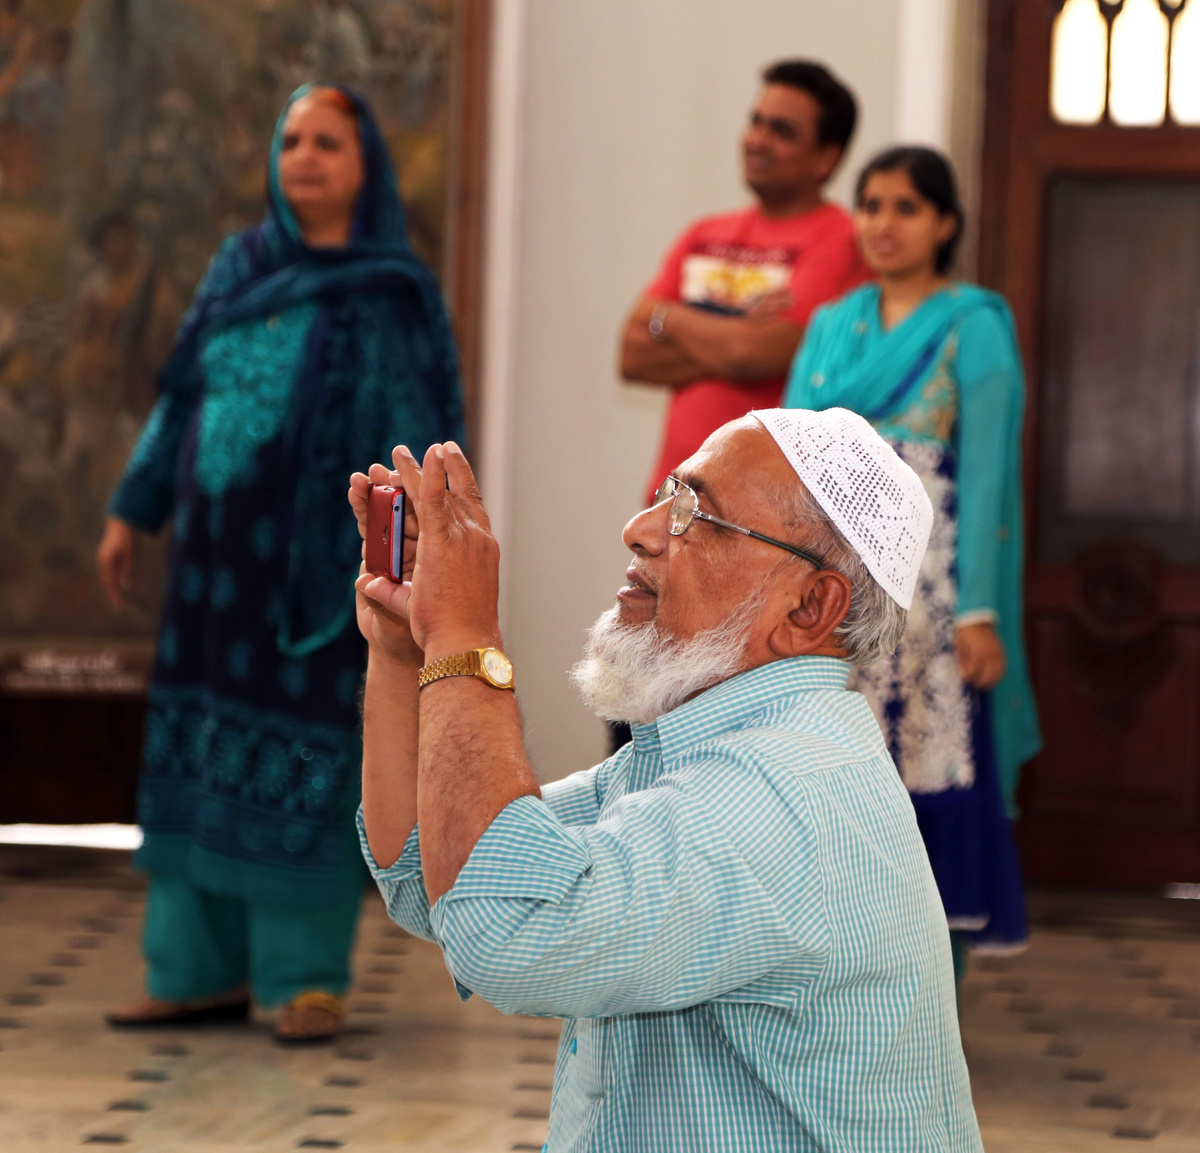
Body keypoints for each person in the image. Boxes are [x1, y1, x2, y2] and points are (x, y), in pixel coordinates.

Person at [348, 408, 985, 1151]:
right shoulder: (719, 752)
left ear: (810, 605)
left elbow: (511, 931)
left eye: (696, 514)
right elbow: (433, 874)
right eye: (666, 493)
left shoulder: (782, 791)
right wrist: (405, 647)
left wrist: (465, 635)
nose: (642, 527)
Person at [96, 83, 463, 1042]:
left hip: (312, 576)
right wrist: (132, 510)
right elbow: (182, 398)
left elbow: (422, 434)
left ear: (365, 164)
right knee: (197, 749)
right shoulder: (240, 264)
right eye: (292, 140)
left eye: (328, 144)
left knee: (304, 761)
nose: (304, 158)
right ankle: (190, 973)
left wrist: (416, 548)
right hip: (213, 578)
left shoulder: (391, 288)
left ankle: (303, 978)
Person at [783, 147, 1041, 974]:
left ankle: (931, 999)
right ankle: (831, 981)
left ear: (945, 223)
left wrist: (980, 612)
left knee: (932, 778)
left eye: (904, 207)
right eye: (870, 205)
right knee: (831, 779)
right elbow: (789, 453)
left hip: (932, 603)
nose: (883, 224)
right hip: (836, 593)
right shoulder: (834, 323)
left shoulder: (974, 325)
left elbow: (993, 472)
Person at [619, 59, 869, 509]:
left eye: (782, 130)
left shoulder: (841, 240)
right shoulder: (704, 233)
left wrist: (670, 322)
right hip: (672, 495)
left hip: (759, 510)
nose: (757, 139)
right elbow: (632, 355)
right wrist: (735, 328)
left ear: (827, 158)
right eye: (755, 122)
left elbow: (758, 353)